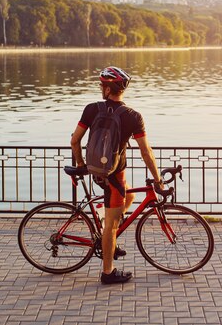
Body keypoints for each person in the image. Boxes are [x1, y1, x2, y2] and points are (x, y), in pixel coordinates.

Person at [70, 66, 163, 285]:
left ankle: (107, 237)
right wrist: (157, 179)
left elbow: (75, 140)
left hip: (101, 173)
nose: (100, 88)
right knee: (111, 226)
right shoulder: (133, 116)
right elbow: (146, 152)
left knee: (129, 197)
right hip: (114, 176)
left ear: (108, 88)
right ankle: (108, 273)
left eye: (102, 85)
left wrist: (82, 164)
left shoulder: (91, 109)